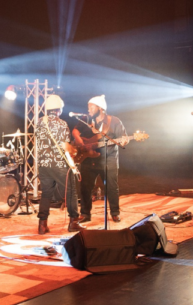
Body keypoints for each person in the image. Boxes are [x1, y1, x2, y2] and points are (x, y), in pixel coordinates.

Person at [72, 95, 128, 223]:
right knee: (85, 187)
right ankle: (85, 214)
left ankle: (115, 212)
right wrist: (81, 142)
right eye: (88, 107)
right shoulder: (86, 119)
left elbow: (123, 138)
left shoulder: (114, 121)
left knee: (112, 187)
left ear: (101, 108)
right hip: (89, 159)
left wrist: (124, 141)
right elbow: (75, 131)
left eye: (91, 107)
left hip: (109, 159)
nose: (89, 109)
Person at [36, 95, 85, 234]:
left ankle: (42, 224)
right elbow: (65, 146)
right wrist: (74, 151)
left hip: (43, 164)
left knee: (46, 193)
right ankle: (74, 222)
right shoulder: (62, 124)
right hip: (58, 164)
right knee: (71, 192)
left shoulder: (39, 122)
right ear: (58, 109)